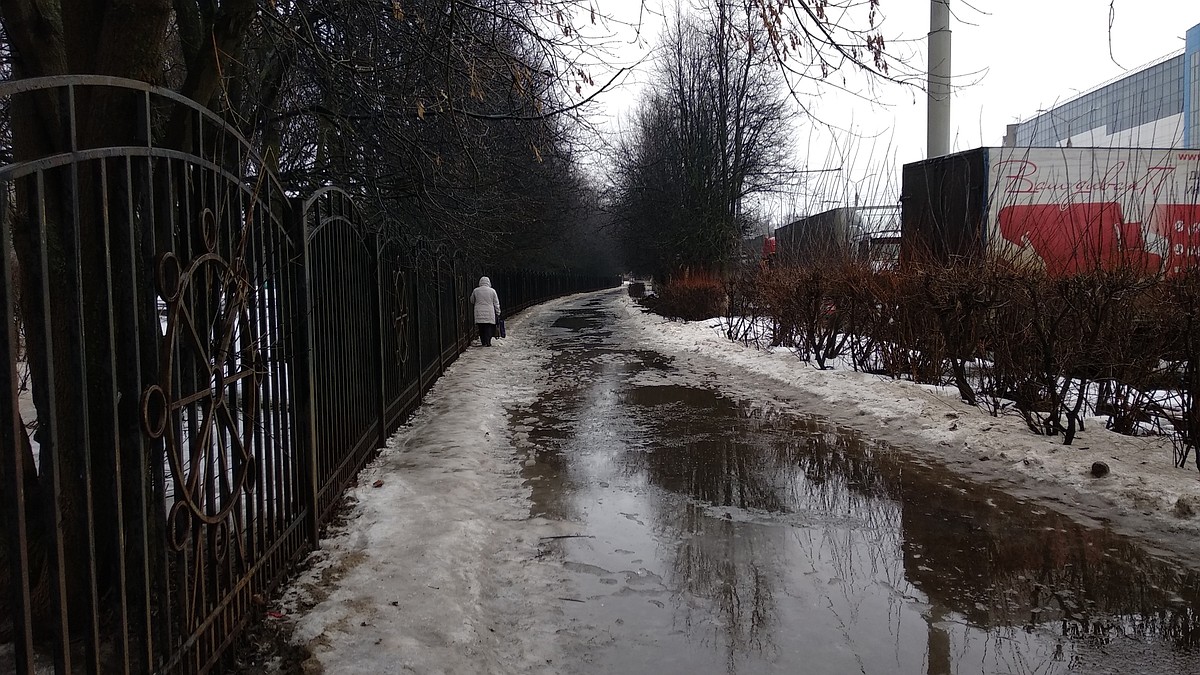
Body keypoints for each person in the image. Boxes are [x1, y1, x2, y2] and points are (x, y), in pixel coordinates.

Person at [469, 276, 502, 346]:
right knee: (488, 327)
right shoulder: (492, 291)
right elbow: (496, 302)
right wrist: (498, 312)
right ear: (488, 282)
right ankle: (488, 341)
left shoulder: (476, 290)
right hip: (489, 312)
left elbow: (472, 300)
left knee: (481, 328)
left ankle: (483, 341)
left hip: (479, 312)